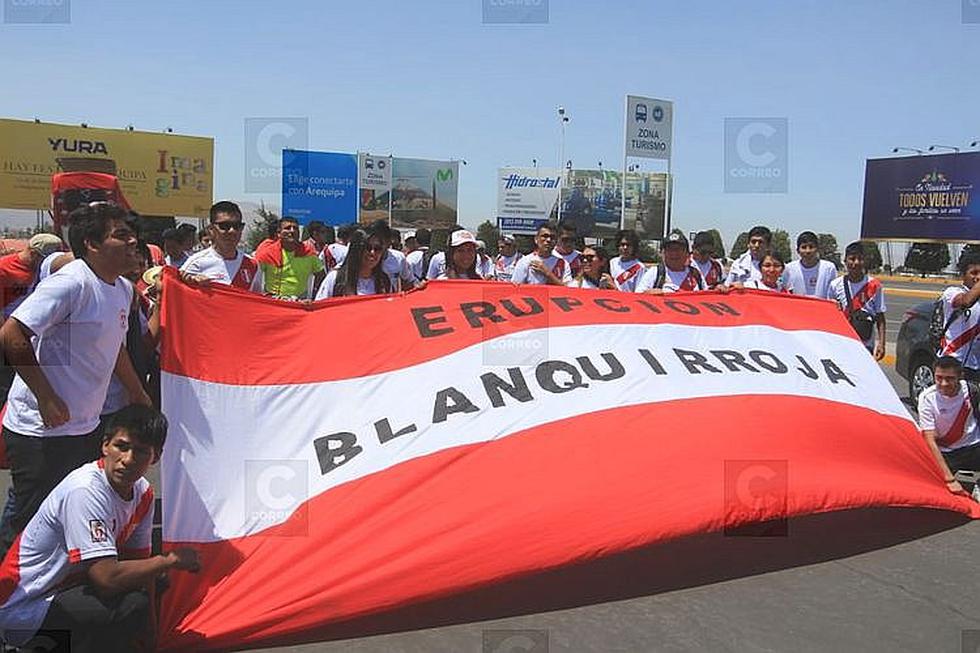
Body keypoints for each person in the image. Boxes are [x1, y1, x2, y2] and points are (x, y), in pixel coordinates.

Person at [0, 202, 151, 559]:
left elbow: (115, 348)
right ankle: (10, 582)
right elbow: (12, 335)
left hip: (85, 426)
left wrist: (137, 391)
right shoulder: (72, 283)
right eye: (121, 235)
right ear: (92, 244)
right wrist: (46, 397)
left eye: (132, 235)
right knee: (30, 519)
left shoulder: (122, 289)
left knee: (70, 508)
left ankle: (58, 578)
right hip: (41, 430)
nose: (133, 242)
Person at [0, 405, 201, 652]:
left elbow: (139, 564)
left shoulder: (143, 493)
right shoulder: (84, 491)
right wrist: (168, 560)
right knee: (132, 603)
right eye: (121, 446)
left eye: (140, 451)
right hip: (23, 611)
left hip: (67, 591)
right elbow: (106, 579)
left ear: (155, 457)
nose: (128, 459)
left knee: (152, 582)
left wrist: (150, 631)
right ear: (105, 445)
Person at [917, 356, 980, 495]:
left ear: (960, 377)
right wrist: (950, 479)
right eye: (939, 378)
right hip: (946, 452)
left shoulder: (972, 390)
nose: (944, 383)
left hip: (973, 446)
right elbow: (929, 439)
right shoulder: (927, 398)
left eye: (950, 378)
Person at [179, 201, 263, 293]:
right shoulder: (196, 263)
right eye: (225, 226)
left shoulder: (252, 265)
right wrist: (192, 283)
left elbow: (256, 298)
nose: (232, 231)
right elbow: (177, 293)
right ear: (211, 230)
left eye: (237, 226)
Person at [830, 241, 886, 360]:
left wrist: (881, 343)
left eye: (860, 259)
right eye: (852, 259)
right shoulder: (835, 285)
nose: (856, 263)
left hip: (865, 344)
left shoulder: (874, 285)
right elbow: (829, 315)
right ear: (845, 261)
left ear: (864, 261)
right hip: (841, 342)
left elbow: (880, 317)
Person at [255, 216, 325, 300]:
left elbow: (321, 275)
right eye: (287, 228)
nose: (292, 231)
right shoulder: (268, 252)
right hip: (273, 301)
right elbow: (254, 276)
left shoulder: (308, 252)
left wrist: (316, 296)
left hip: (299, 302)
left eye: (295, 228)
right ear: (279, 233)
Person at [935, 252, 980, 381]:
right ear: (963, 275)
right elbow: (966, 301)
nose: (978, 277)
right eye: (974, 273)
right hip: (952, 364)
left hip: (975, 365)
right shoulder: (952, 292)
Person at [314, 226, 392, 298]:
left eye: (377, 248)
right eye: (367, 247)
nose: (372, 252)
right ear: (356, 249)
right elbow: (320, 306)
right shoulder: (335, 279)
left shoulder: (384, 281)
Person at [0, 233, 65, 320]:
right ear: (33, 254)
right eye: (47, 259)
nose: (51, 263)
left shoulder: (44, 270)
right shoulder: (4, 268)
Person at [636, 232, 706, 293]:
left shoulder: (696, 274)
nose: (674, 253)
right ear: (663, 253)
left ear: (687, 253)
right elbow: (637, 297)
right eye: (669, 249)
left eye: (678, 249)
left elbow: (706, 296)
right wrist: (648, 293)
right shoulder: (655, 273)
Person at [783, 231, 837, 299]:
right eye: (804, 247)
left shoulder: (829, 268)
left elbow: (833, 294)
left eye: (811, 247)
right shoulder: (789, 268)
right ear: (798, 250)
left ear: (817, 249)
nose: (808, 251)